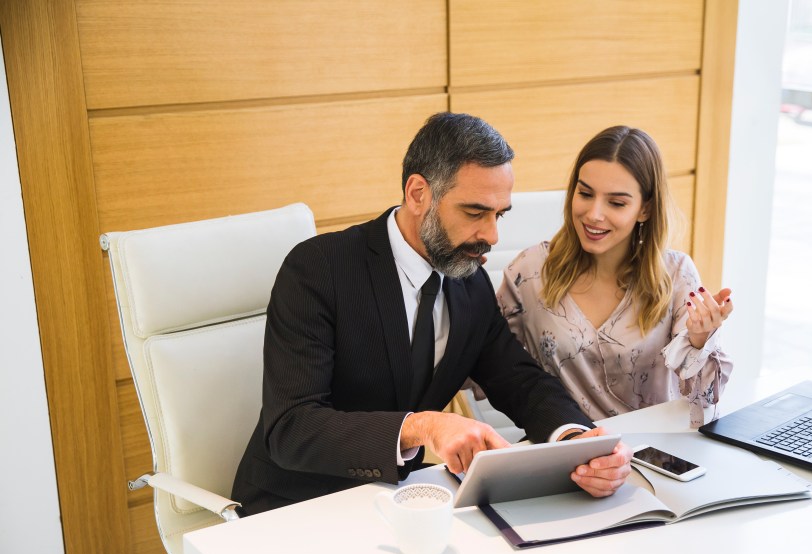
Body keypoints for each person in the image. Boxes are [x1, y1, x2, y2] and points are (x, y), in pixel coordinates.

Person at [232, 113, 632, 515]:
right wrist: (423, 426)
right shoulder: (320, 269)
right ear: (418, 193)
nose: (492, 236)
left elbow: (519, 380)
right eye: (475, 213)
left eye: (500, 214)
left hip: (400, 501)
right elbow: (291, 428)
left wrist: (574, 440)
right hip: (294, 507)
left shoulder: (468, 281)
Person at [497, 126, 733, 427]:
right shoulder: (530, 271)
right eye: (585, 194)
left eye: (616, 203)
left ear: (645, 209)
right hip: (565, 452)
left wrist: (700, 341)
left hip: (657, 455)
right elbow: (488, 364)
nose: (594, 214)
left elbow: (705, 401)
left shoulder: (675, 275)